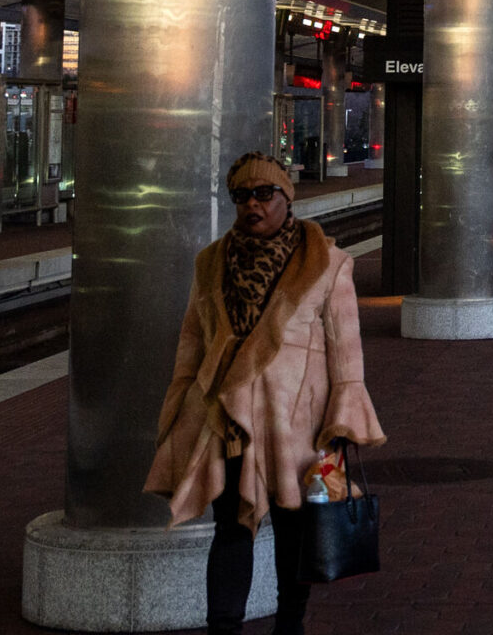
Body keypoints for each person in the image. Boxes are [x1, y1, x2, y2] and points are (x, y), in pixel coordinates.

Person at [147, 152, 384, 634]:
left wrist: (342, 422)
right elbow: (192, 341)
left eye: (263, 194)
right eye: (242, 196)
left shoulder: (327, 263)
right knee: (231, 530)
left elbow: (346, 353)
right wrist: (178, 409)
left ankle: (290, 626)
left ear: (286, 198)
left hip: (299, 422)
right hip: (226, 421)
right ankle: (224, 628)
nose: (252, 205)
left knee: (295, 531)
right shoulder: (211, 262)